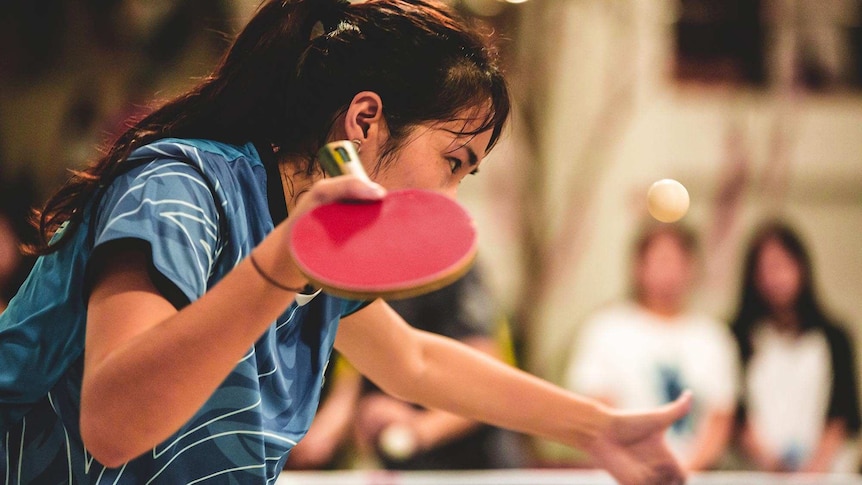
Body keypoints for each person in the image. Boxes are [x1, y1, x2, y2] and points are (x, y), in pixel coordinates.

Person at [0, 1, 691, 484]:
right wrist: (284, 261)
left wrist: (596, 428)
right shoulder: (180, 188)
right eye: (454, 160)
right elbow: (112, 424)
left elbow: (415, 361)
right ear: (365, 118)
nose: (450, 195)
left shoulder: (311, 234)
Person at [289, 266, 524, 471]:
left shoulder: (451, 270)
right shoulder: (359, 278)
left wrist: (418, 429)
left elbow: (486, 378)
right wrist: (318, 432)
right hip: (401, 468)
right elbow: (355, 374)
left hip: (476, 466)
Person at [564, 222, 739, 471]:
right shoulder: (607, 329)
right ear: (639, 266)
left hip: (694, 475)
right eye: (660, 261)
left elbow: (720, 418)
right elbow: (597, 411)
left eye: (677, 262)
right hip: (622, 474)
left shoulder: (712, 336)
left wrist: (685, 472)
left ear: (691, 267)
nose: (669, 273)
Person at [730, 220, 861, 472]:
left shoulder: (835, 337)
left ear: (801, 267)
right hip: (757, 472)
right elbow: (736, 413)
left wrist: (814, 468)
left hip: (825, 471)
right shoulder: (738, 336)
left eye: (781, 266)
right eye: (764, 270)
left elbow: (843, 411)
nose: (774, 278)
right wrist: (771, 464)